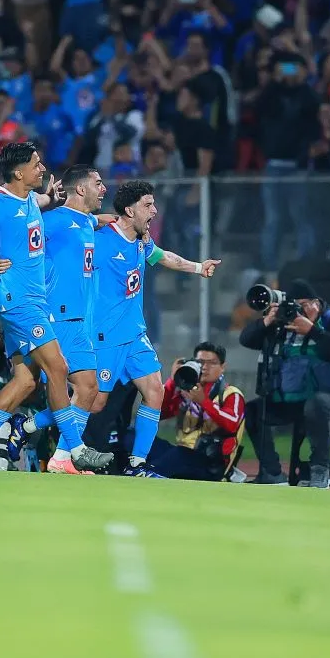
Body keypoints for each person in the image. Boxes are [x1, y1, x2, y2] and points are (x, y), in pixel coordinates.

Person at [0, 141, 111, 472]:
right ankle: (74, 451)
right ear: (18, 172)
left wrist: (51, 197)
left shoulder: (32, 199)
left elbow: (42, 203)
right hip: (20, 304)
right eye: (36, 164)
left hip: (31, 302)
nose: (42, 168)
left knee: (26, 383)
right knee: (59, 369)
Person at [87, 180, 221, 477]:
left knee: (155, 392)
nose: (154, 210)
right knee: (94, 403)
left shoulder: (142, 241)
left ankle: (137, 465)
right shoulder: (99, 239)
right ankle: (30, 426)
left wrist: (199, 268)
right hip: (105, 337)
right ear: (128, 209)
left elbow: (164, 257)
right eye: (147, 205)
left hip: (135, 336)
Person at [239, 279, 330, 489]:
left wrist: (313, 331)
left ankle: (320, 470)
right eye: (296, 306)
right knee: (253, 411)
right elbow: (246, 340)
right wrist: (267, 321)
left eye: (304, 305)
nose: (300, 312)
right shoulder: (282, 325)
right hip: (291, 398)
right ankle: (272, 472)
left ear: (317, 303)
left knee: (318, 405)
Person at [147, 342, 247, 481]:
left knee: (178, 455)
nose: (205, 367)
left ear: (223, 367)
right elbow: (156, 413)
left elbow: (232, 424)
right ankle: (134, 469)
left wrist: (204, 402)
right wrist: (173, 381)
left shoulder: (230, 394)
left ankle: (148, 473)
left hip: (210, 463)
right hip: (182, 454)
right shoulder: (187, 391)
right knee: (133, 436)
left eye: (212, 363)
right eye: (200, 362)